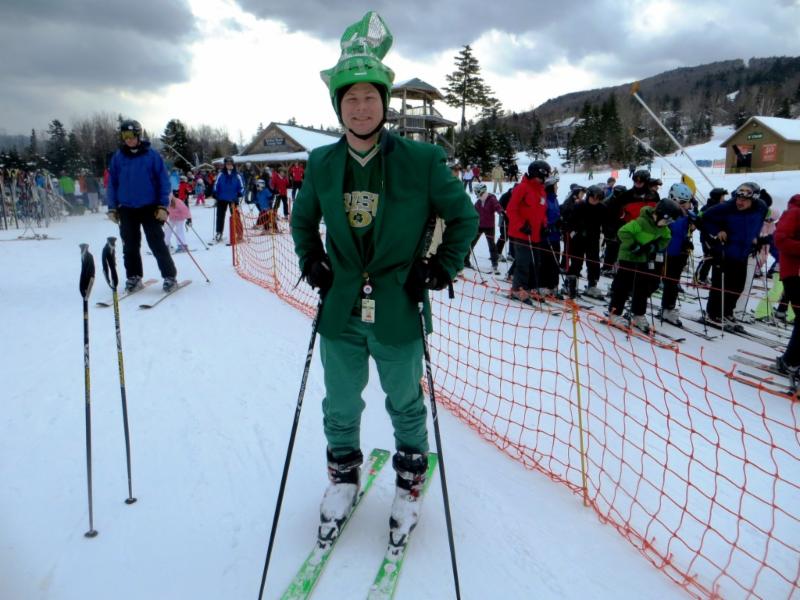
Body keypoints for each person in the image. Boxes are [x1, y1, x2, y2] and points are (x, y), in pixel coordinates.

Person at [290, 11, 477, 550]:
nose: (361, 107)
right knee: (340, 403)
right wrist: (312, 260)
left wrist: (440, 267)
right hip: (341, 306)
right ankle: (343, 480)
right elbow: (304, 222)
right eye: (350, 99)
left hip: (397, 305)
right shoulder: (322, 162)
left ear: (384, 103)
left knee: (404, 402)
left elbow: (463, 218)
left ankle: (410, 482)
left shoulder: (421, 159)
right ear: (339, 107)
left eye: (370, 97)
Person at [106, 119, 178, 292]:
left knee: (156, 243)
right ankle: (134, 277)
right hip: (127, 208)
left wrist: (162, 206)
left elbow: (163, 181)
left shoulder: (151, 155)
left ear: (138, 135)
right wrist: (112, 207)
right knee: (129, 245)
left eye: (131, 135)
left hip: (150, 207)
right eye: (125, 136)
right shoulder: (118, 157)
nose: (128, 139)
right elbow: (112, 183)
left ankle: (169, 276)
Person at [699, 182, 767, 331]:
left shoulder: (760, 207)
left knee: (738, 286)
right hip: (724, 251)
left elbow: (758, 222)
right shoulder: (726, 207)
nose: (739, 202)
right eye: (737, 198)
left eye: (744, 200)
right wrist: (718, 230)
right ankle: (713, 313)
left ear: (753, 199)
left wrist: (755, 238)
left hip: (742, 253)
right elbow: (704, 218)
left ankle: (727, 312)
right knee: (720, 285)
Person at [607, 199, 681, 334]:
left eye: (669, 222)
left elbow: (667, 239)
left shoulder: (662, 228)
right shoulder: (641, 222)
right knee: (623, 284)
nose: (666, 225)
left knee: (642, 287)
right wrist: (634, 245)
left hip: (643, 258)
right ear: (659, 214)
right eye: (666, 221)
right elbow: (623, 232)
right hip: (628, 257)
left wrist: (655, 246)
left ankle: (638, 314)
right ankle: (614, 312)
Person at [506, 160, 551, 303]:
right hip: (521, 233)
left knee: (536, 262)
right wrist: (521, 225)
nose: (543, 179)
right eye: (542, 176)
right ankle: (518, 289)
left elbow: (542, 211)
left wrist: (544, 225)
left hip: (535, 234)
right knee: (523, 262)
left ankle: (531, 288)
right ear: (535, 174)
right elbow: (511, 209)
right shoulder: (522, 188)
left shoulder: (542, 191)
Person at [659, 183, 696, 326]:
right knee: (651, 281)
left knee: (672, 282)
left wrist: (690, 233)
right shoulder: (665, 211)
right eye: (682, 203)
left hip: (679, 253)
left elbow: (685, 231)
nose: (686, 206)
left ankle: (668, 309)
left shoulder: (688, 214)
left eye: (687, 203)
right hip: (664, 252)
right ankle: (634, 306)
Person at [563, 184, 607, 299]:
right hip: (578, 239)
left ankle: (592, 284)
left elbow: (606, 223)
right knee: (577, 261)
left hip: (593, 238)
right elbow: (569, 222)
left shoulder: (602, 208)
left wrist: (607, 233)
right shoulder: (580, 206)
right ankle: (570, 283)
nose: (595, 201)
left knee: (594, 261)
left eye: (598, 199)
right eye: (593, 198)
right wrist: (573, 233)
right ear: (589, 196)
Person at [774, 194, 800, 373]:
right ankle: (790, 361)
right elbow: (780, 239)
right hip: (794, 273)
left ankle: (791, 360)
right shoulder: (795, 212)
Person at [466, 182, 503, 274]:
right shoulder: (478, 202)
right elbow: (473, 212)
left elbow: (497, 206)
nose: (476, 193)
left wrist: (501, 212)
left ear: (481, 191)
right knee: (471, 242)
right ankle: (465, 260)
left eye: (476, 191)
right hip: (479, 226)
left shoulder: (491, 199)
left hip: (489, 227)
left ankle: (494, 264)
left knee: (491, 245)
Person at [694, 187, 728, 285]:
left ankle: (706, 277)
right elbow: (699, 222)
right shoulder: (707, 208)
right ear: (718, 197)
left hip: (716, 238)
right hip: (707, 237)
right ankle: (699, 277)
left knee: (715, 258)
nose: (724, 199)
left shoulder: (721, 207)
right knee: (708, 257)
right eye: (722, 197)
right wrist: (709, 233)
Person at [212, 157, 244, 242]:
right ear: (225, 165)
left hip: (233, 198)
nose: (229, 165)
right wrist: (215, 192)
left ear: (233, 164)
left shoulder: (237, 175)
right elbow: (216, 184)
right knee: (220, 216)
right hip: (222, 198)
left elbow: (242, 186)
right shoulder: (221, 174)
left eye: (230, 164)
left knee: (236, 216)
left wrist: (240, 192)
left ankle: (239, 233)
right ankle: (219, 232)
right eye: (227, 164)